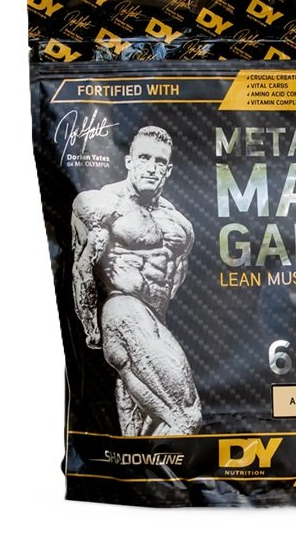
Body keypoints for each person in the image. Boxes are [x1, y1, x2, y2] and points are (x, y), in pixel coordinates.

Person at [71, 126, 201, 436]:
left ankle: (147, 470)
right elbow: (82, 268)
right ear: (129, 162)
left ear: (168, 170)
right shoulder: (101, 205)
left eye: (160, 161)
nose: (152, 167)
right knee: (187, 414)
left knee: (142, 435)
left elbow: (173, 281)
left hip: (153, 323)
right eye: (144, 158)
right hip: (122, 311)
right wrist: (92, 329)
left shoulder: (180, 225)